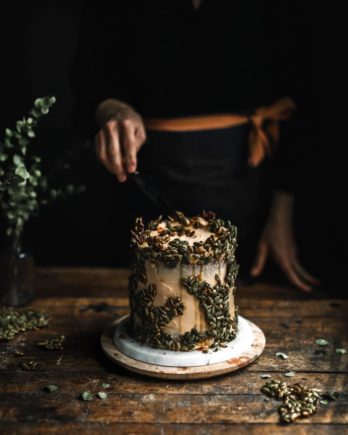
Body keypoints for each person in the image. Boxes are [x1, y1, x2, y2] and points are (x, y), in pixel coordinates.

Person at [70, 0, 319, 291]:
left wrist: (281, 215)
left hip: (250, 203)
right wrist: (113, 110)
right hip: (145, 192)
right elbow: (89, 83)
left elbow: (300, 98)